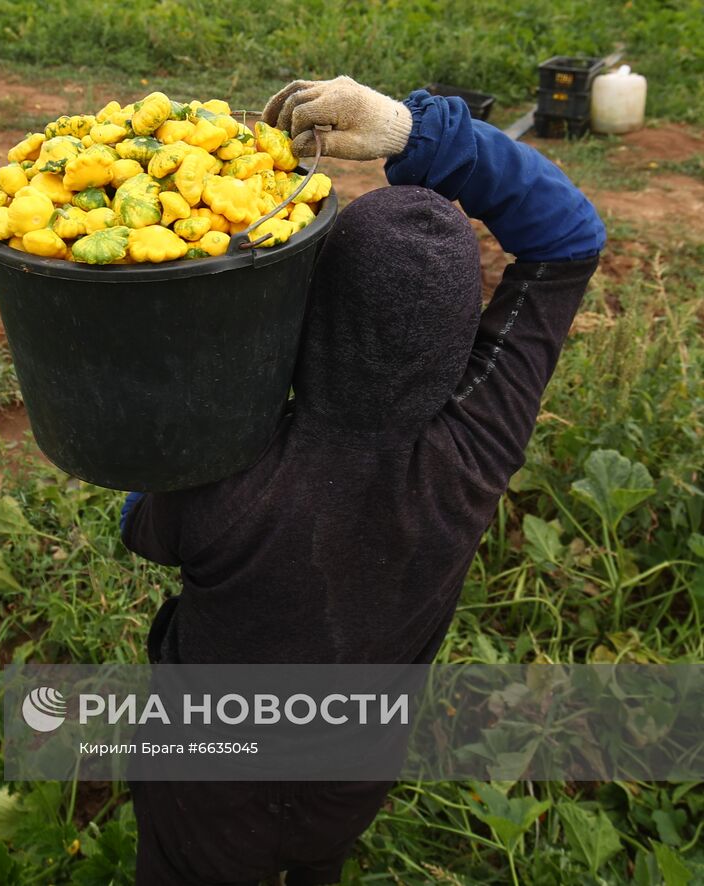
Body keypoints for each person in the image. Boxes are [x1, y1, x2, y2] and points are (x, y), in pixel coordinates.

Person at [119, 76, 606, 885]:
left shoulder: (226, 474)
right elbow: (569, 242)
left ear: (307, 318)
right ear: (462, 341)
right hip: (350, 777)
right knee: (317, 861)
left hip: (205, 783)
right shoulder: (477, 447)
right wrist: (419, 133)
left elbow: (141, 525)